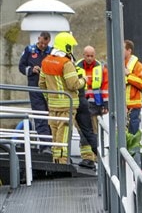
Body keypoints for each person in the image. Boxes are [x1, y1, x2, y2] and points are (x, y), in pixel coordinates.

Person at [39, 32, 86, 165]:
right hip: (67, 106)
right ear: (67, 47)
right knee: (64, 135)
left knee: (55, 134)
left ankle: (56, 160)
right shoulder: (66, 63)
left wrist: (49, 98)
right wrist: (83, 80)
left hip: (53, 106)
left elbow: (41, 84)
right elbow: (73, 84)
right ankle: (63, 162)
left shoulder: (46, 61)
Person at [74, 45, 108, 169]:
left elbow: (105, 86)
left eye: (91, 56)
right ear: (83, 55)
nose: (89, 58)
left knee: (94, 132)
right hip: (81, 105)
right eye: (87, 56)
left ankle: (96, 158)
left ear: (95, 55)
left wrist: (105, 104)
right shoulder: (76, 66)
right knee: (82, 132)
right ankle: (87, 158)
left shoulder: (101, 67)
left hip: (95, 106)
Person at [18, 31, 52, 137]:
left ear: (49, 42)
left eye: (45, 44)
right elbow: (21, 67)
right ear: (38, 39)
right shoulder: (29, 50)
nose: (43, 46)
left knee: (51, 116)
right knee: (40, 116)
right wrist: (32, 70)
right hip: (35, 88)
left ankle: (52, 144)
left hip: (49, 88)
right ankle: (45, 145)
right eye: (41, 43)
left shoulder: (51, 52)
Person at [124, 40, 142, 135]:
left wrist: (129, 75)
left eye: (122, 48)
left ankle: (134, 150)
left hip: (133, 107)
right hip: (120, 106)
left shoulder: (138, 65)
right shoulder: (118, 64)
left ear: (129, 50)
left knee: (133, 134)